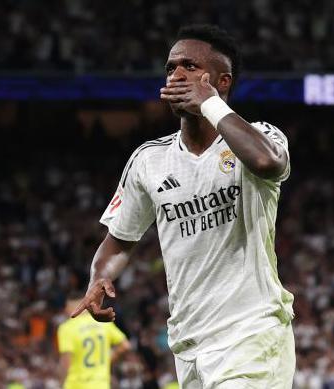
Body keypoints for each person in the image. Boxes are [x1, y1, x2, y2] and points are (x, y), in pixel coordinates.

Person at [71, 24, 295, 388]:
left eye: (189, 66)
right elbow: (120, 239)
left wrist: (209, 104)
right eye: (170, 67)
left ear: (222, 81)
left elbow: (268, 164)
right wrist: (100, 277)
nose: (175, 74)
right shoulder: (149, 160)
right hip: (188, 342)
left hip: (251, 331)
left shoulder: (261, 136)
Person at [58, 293, 131, 388]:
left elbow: (66, 363)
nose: (66, 311)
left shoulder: (67, 328)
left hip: (77, 385)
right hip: (101, 384)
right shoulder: (103, 322)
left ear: (72, 307)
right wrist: (107, 360)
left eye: (67, 307)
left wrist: (61, 383)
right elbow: (125, 345)